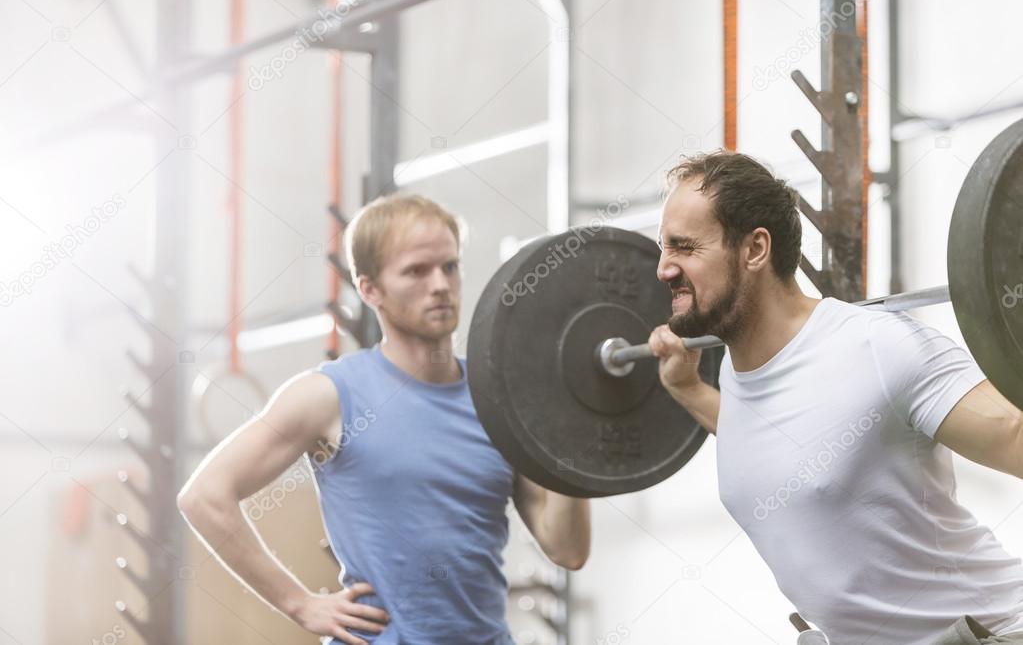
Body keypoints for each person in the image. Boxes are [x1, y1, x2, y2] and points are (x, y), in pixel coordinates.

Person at [647, 150, 1023, 645]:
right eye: (662, 248)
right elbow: (788, 446)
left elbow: (1014, 435)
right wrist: (690, 390)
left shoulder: (878, 347)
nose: (661, 269)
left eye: (684, 247)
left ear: (755, 249)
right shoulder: (742, 376)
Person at [178, 194, 591, 645]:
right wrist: (299, 604)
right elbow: (204, 496)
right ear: (370, 288)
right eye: (417, 271)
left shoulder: (500, 399)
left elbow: (566, 549)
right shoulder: (328, 396)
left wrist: (569, 426)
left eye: (449, 267)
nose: (440, 284)